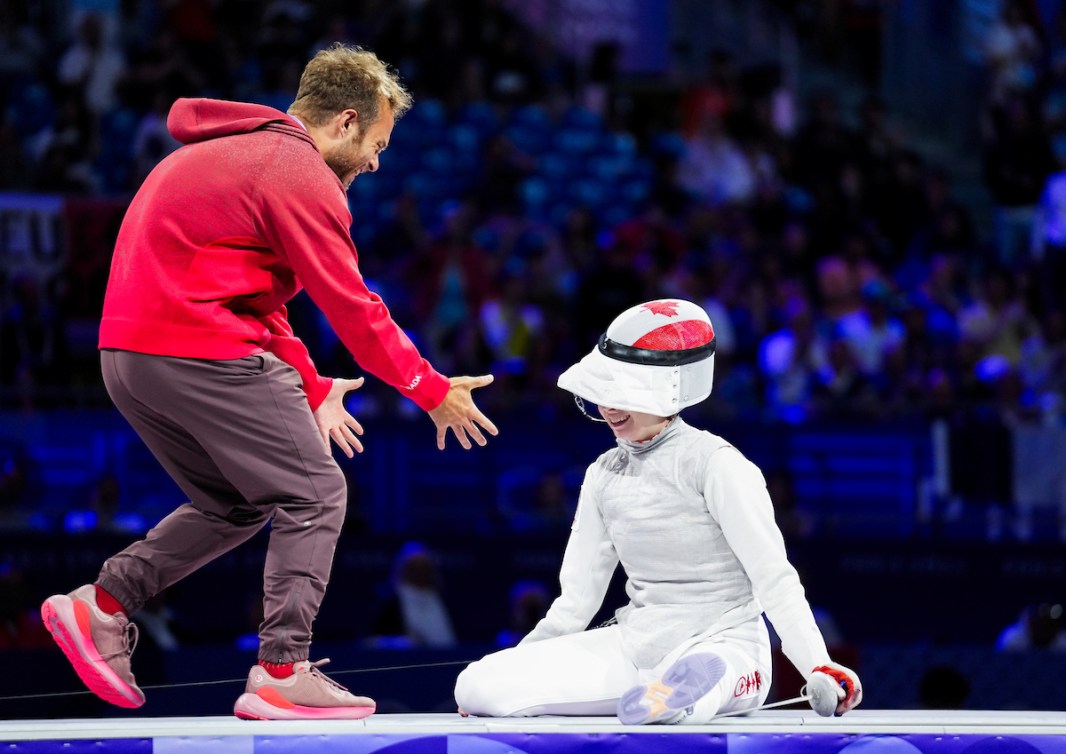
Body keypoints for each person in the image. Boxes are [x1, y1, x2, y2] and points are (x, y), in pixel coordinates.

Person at [40, 43, 497, 722]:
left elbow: (257, 301)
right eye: (376, 142)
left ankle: (101, 605)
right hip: (198, 349)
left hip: (129, 357)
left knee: (236, 504)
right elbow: (351, 305)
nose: (376, 161)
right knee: (316, 493)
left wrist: (311, 384)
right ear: (344, 122)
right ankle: (283, 668)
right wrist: (431, 388)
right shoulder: (297, 170)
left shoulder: (227, 154)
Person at [454, 299, 861, 724]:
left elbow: (774, 578)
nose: (608, 408)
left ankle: (682, 698)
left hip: (728, 644)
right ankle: (661, 696)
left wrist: (819, 664)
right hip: (637, 646)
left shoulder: (716, 464)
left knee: (710, 676)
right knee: (476, 684)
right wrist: (518, 670)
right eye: (601, 395)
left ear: (670, 388)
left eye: (621, 394)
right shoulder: (602, 474)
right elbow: (576, 601)